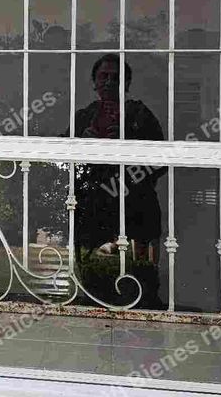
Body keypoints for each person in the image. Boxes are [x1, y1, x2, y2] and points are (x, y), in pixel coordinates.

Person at [68, 54, 167, 308]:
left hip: (137, 211)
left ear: (127, 83)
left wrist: (128, 141)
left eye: (116, 77)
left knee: (141, 289)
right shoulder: (84, 116)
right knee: (95, 289)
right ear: (94, 82)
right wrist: (82, 142)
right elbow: (61, 159)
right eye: (104, 76)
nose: (109, 82)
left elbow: (161, 161)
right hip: (96, 212)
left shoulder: (140, 115)